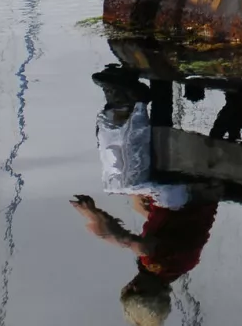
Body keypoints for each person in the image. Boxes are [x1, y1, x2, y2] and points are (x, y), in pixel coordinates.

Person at [73, 65, 219, 326]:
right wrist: (99, 224)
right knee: (126, 182)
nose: (131, 283)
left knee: (123, 184)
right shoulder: (156, 265)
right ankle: (133, 104)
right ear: (135, 290)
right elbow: (134, 243)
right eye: (131, 288)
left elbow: (167, 228)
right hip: (192, 196)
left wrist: (140, 210)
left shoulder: (173, 268)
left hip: (183, 201)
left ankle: (117, 106)